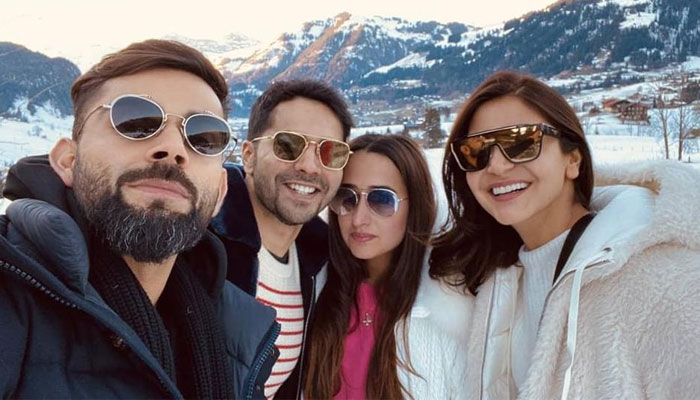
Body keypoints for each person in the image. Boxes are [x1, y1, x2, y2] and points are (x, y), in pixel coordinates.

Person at [0, 40, 279, 399]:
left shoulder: (236, 335)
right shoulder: (11, 291)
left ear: (220, 193)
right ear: (68, 161)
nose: (174, 148)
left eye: (204, 137)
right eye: (135, 121)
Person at [430, 70, 700, 399]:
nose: (496, 166)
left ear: (573, 159)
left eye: (521, 142)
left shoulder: (663, 281)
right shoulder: (497, 283)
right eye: (476, 151)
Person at [210, 79, 354, 399]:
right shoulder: (200, 246)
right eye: (288, 145)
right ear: (249, 156)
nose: (309, 167)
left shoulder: (319, 261)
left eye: (330, 152)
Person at [304, 134, 470, 399]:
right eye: (347, 197)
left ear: (415, 205)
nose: (358, 219)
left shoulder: (448, 309)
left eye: (381, 200)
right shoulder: (315, 292)